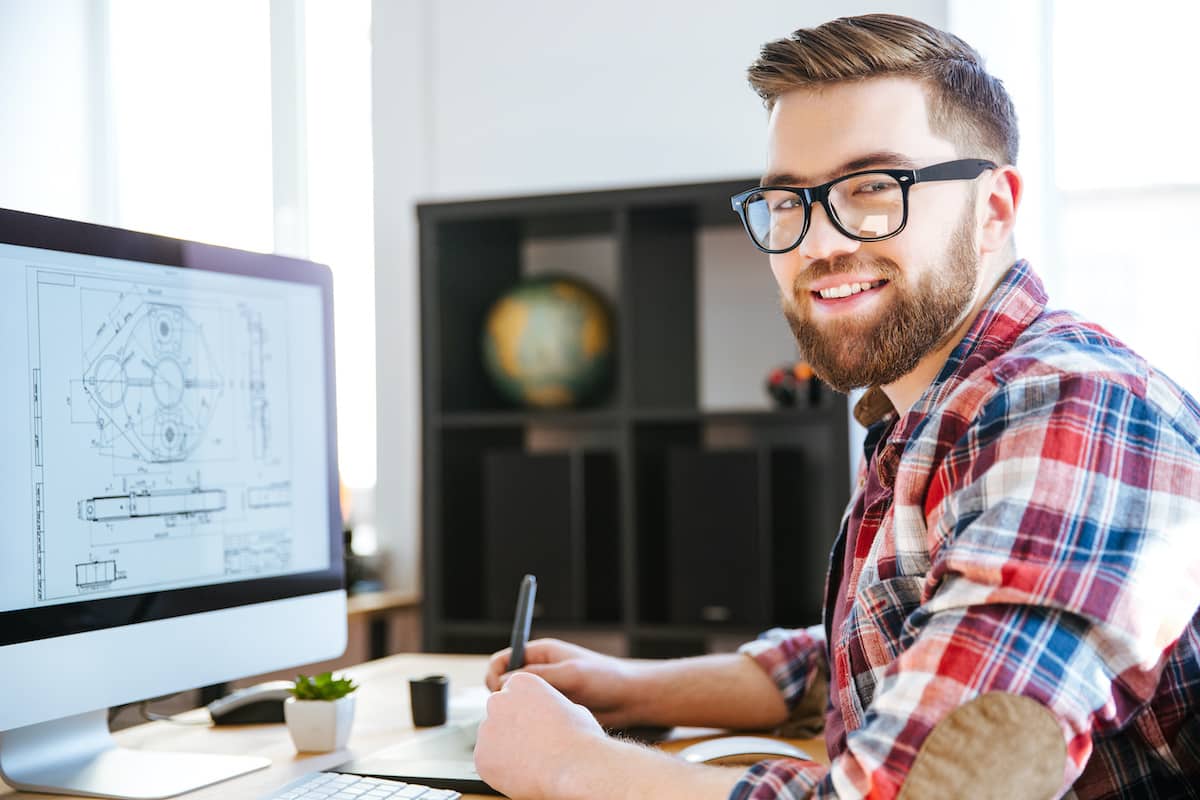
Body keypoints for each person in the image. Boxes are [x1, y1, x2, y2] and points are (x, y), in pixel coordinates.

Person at [472, 13, 1200, 799]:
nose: (818, 244)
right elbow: (881, 652)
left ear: (994, 209)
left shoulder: (1071, 414)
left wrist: (573, 765)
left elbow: (931, 791)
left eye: (873, 189)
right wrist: (625, 687)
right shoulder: (930, 408)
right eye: (789, 203)